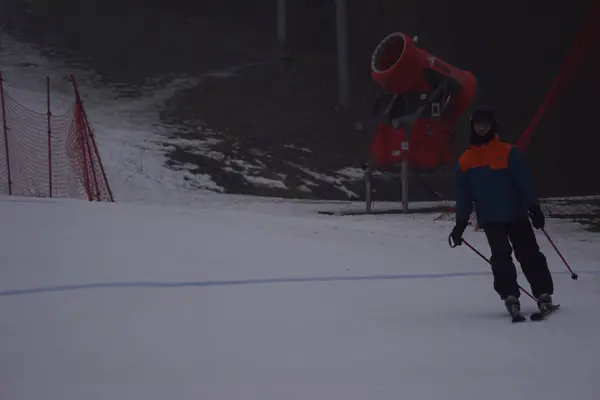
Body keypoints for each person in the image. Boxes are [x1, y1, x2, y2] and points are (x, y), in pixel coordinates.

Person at [449, 105, 555, 318]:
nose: (481, 128)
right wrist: (460, 224)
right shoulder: (466, 160)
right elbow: (463, 195)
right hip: (490, 220)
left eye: (485, 124)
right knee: (500, 258)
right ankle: (509, 295)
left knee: (529, 254)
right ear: (472, 127)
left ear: (492, 126)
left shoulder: (509, 152)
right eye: (478, 124)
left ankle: (543, 293)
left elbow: (524, 181)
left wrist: (534, 208)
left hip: (515, 214)